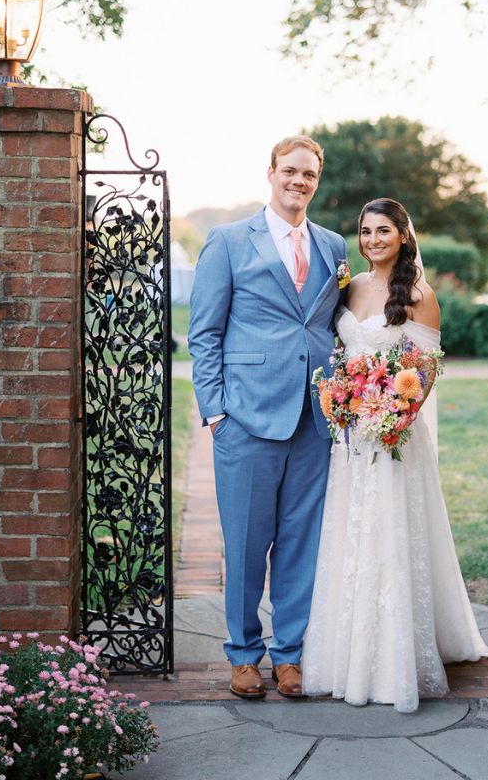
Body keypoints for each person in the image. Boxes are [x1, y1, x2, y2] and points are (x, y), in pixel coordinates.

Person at [302, 197, 488, 713]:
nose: (372, 240)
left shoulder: (419, 294)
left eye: (383, 230)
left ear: (404, 236)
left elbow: (425, 374)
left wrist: (389, 416)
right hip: (350, 438)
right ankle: (344, 654)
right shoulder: (352, 287)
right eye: (365, 231)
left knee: (390, 534)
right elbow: (342, 355)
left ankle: (393, 661)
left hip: (393, 437)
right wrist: (343, 400)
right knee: (351, 534)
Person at [188, 136, 347, 700]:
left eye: (308, 174)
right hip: (246, 419)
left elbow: (333, 328)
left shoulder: (333, 246)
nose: (298, 181)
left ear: (316, 180)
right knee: (247, 543)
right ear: (271, 173)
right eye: (289, 171)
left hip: (315, 418)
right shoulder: (229, 241)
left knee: (302, 543)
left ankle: (290, 655)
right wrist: (216, 414)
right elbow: (203, 334)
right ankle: (244, 655)